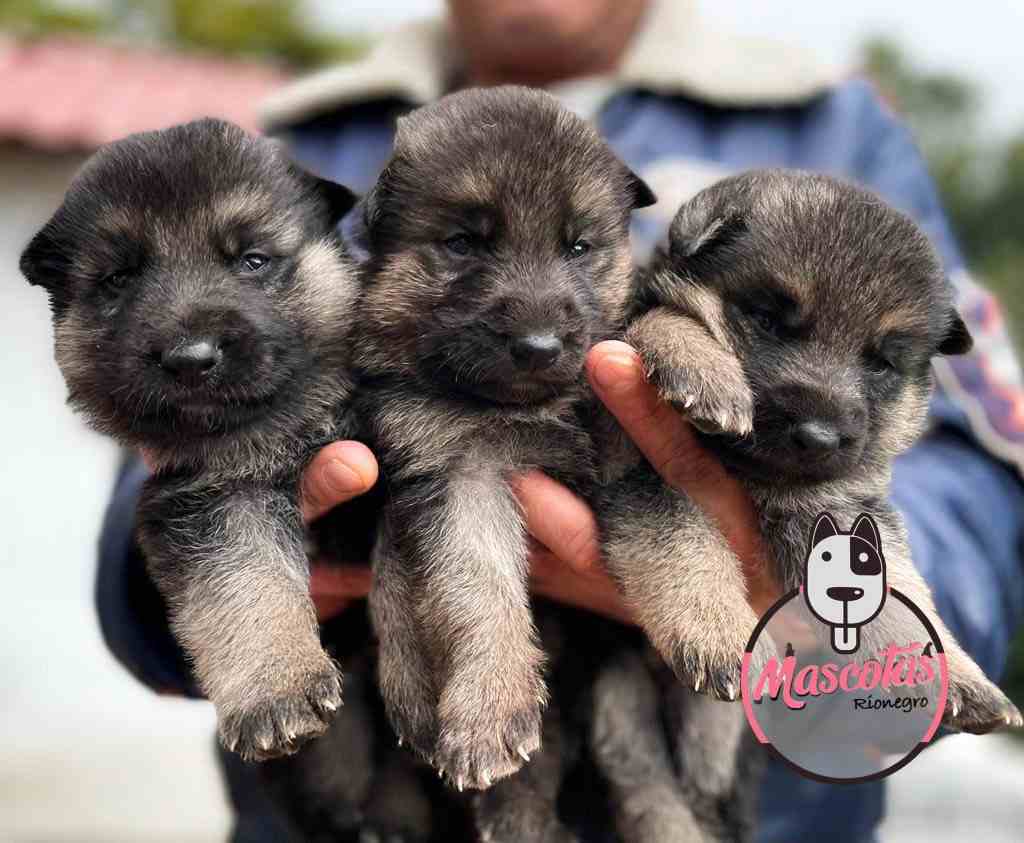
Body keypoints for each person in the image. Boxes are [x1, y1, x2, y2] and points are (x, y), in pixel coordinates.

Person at [97, 1, 1024, 840]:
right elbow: (153, 466)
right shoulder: (292, 132)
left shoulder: (833, 120)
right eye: (461, 244)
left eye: (585, 247)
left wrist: (836, 603)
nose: (542, 316)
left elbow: (974, 459)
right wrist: (191, 583)